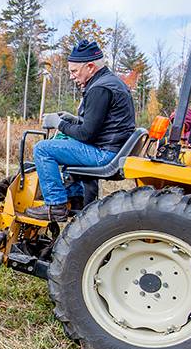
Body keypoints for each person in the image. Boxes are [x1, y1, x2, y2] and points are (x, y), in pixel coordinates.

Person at [26, 39, 136, 221]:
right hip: (113, 148)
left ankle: (55, 205)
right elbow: (102, 124)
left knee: (42, 149)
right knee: (64, 139)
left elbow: (87, 134)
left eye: (74, 71)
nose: (71, 76)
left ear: (90, 67)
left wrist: (58, 123)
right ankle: (76, 198)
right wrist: (73, 119)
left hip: (105, 154)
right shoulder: (111, 82)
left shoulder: (99, 88)